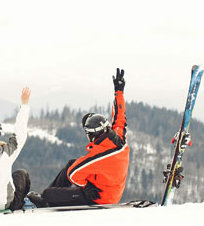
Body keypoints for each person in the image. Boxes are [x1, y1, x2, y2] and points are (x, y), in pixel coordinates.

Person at [28, 69, 130, 208]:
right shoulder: (118, 139)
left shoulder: (99, 156)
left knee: (48, 193)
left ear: (92, 134)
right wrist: (119, 91)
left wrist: (86, 187)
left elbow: (73, 173)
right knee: (71, 162)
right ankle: (51, 195)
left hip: (98, 197)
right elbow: (120, 117)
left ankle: (46, 201)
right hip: (110, 189)